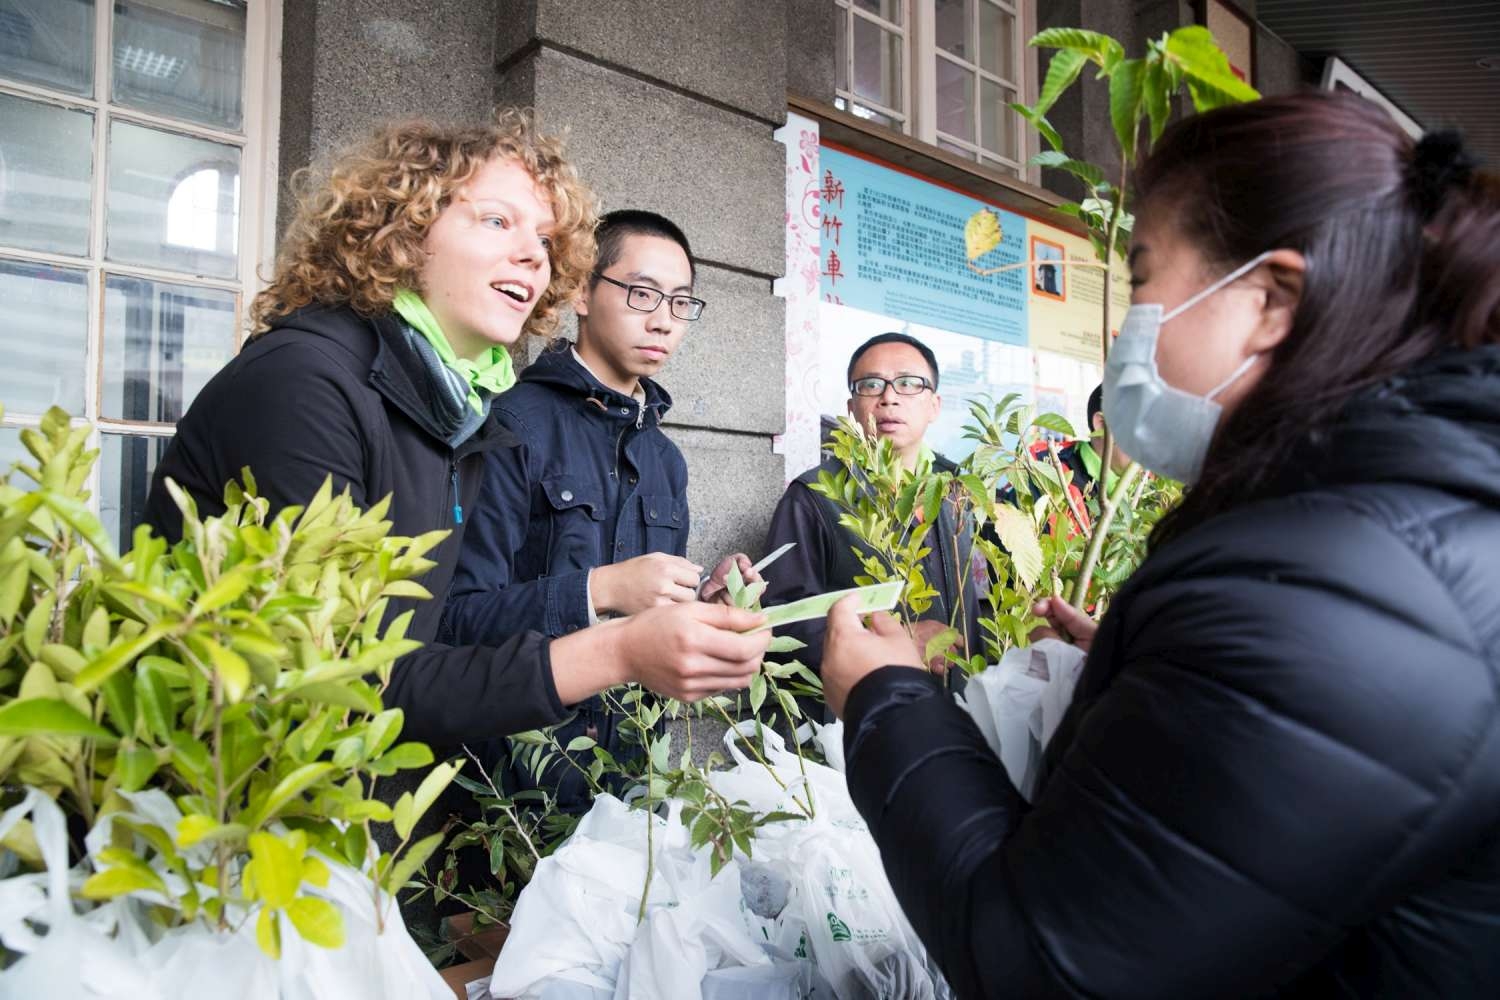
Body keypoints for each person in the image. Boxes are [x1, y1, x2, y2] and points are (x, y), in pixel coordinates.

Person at [818, 91, 1500, 997]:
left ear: (1270, 298)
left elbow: (1041, 964)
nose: (1125, 333)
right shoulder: (1396, 532)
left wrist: (883, 699)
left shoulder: (1329, 594)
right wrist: (1155, 675)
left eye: (1142, 279)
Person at [142, 114, 770, 756]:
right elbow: (344, 687)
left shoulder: (454, 412)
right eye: (497, 220)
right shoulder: (305, 383)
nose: (533, 253)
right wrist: (618, 645)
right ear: (404, 231)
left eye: (547, 238)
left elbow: (420, 645)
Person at [441, 209, 756, 807]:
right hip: (518, 786)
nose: (663, 320)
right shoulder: (510, 424)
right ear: (582, 292)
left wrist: (703, 603)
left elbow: (647, 614)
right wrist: (600, 588)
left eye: (681, 302)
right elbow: (454, 623)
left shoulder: (664, 457)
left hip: (637, 775)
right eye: (642, 294)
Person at [761, 332, 982, 682]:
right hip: (867, 711)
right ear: (852, 409)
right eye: (871, 385)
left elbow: (983, 602)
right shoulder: (814, 496)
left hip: (966, 706)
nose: (889, 398)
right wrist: (892, 640)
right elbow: (782, 621)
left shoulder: (961, 489)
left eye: (908, 383)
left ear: (934, 405)